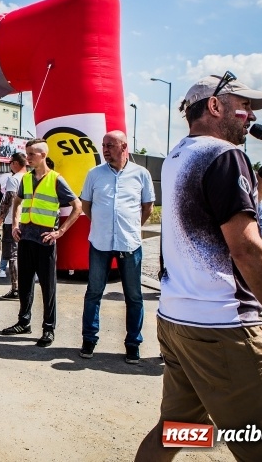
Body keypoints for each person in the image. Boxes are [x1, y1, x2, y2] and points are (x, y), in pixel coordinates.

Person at [135, 73, 262, 461]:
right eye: (245, 106)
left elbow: (231, 211)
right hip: (224, 329)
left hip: (178, 320)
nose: (250, 116)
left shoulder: (180, 155)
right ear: (215, 106)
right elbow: (247, 248)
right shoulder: (225, 155)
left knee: (177, 431)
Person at [78, 131, 154, 363]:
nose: (105, 149)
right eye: (103, 145)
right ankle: (89, 339)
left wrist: (129, 227)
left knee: (134, 296)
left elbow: (147, 207)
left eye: (110, 145)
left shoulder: (141, 174)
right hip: (100, 242)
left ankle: (133, 344)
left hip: (129, 243)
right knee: (94, 292)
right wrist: (103, 225)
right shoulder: (94, 174)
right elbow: (86, 205)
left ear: (124, 146)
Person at [2, 139, 82, 347]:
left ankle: (48, 328)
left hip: (45, 240)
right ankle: (24, 322)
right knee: (25, 283)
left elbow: (77, 206)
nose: (27, 158)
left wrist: (60, 232)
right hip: (26, 238)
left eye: (31, 154)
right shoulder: (26, 179)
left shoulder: (56, 179)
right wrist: (15, 225)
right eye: (26, 154)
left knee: (48, 286)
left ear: (43, 155)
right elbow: (17, 202)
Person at [0, 152, 27, 298]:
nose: (10, 165)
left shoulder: (14, 179)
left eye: (11, 162)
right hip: (28, 221)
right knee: (24, 255)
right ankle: (25, 287)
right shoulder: (31, 178)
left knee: (12, 256)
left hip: (12, 222)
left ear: (16, 163)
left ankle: (16, 288)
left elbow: (8, 202)